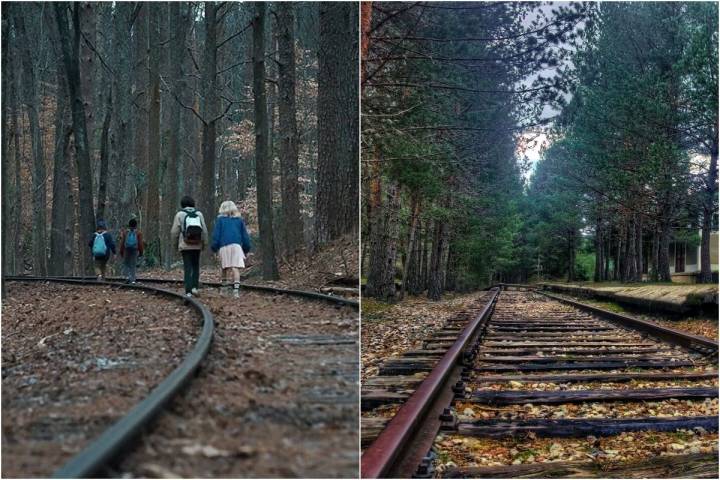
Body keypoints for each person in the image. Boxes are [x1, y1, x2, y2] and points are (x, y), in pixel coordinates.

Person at [211, 201, 252, 296]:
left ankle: (224, 288)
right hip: (236, 246)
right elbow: (245, 236)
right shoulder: (239, 220)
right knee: (235, 267)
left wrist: (214, 248)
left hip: (224, 246)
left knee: (224, 267)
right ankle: (236, 291)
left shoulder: (220, 221)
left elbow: (216, 235)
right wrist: (246, 248)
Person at [170, 196, 208, 297]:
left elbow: (174, 232)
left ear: (182, 204)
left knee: (187, 267)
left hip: (185, 245)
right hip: (197, 244)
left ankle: (188, 291)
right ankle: (195, 287)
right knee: (195, 266)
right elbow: (204, 230)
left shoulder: (180, 215)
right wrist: (204, 244)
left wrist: (175, 245)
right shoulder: (199, 214)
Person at [119, 218, 144, 284]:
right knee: (133, 264)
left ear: (129, 225)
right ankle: (132, 279)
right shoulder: (138, 233)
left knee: (126, 263)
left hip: (126, 249)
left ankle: (127, 277)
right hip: (135, 250)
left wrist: (121, 251)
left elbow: (122, 242)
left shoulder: (125, 232)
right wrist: (141, 252)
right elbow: (140, 244)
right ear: (136, 225)